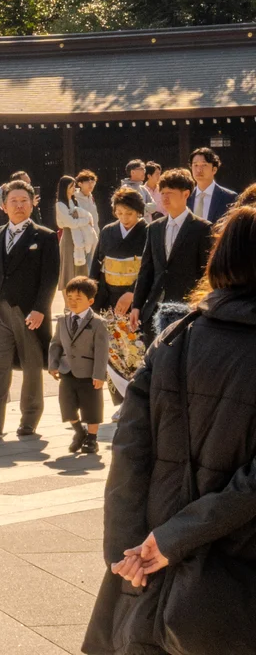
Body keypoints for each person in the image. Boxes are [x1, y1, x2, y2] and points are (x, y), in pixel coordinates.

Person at [83, 205, 256, 655]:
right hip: (236, 559)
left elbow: (130, 450)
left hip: (152, 563)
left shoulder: (176, 335)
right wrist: (175, 538)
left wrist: (126, 553)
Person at [0, 180, 60, 437]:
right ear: (4, 206)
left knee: (32, 365)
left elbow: (50, 278)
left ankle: (29, 419)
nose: (19, 206)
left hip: (29, 312)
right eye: (13, 201)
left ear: (33, 203)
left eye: (24, 200)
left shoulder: (44, 236)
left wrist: (40, 309)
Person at [125, 168, 214, 344]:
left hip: (186, 309)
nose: (164, 198)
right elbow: (146, 270)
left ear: (186, 194)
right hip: (153, 309)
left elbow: (206, 274)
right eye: (162, 193)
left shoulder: (202, 228)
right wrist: (136, 305)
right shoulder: (154, 228)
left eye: (170, 193)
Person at [47, 276, 108, 456]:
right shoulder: (62, 320)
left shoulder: (98, 323)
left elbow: (101, 351)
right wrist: (53, 364)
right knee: (67, 405)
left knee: (91, 406)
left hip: (89, 373)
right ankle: (79, 431)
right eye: (69, 297)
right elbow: (55, 344)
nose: (72, 302)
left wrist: (99, 374)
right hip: (67, 370)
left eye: (78, 299)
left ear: (90, 301)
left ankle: (91, 438)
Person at [91, 187, 149, 313]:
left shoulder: (149, 232)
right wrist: (90, 290)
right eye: (119, 213)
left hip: (137, 295)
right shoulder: (108, 231)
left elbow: (150, 269)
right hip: (108, 294)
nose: (124, 218)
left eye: (129, 213)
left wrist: (132, 292)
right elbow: (97, 263)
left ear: (138, 211)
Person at [54, 174, 98, 288]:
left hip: (79, 238)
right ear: (65, 188)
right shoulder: (60, 204)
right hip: (69, 238)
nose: (74, 189)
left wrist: (85, 220)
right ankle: (67, 304)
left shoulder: (73, 202)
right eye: (72, 186)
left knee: (81, 269)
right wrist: (86, 220)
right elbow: (71, 223)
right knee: (68, 271)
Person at [188, 146, 236, 223]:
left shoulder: (229, 197)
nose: (199, 170)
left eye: (204, 165)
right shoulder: (186, 196)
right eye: (195, 165)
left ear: (214, 169)